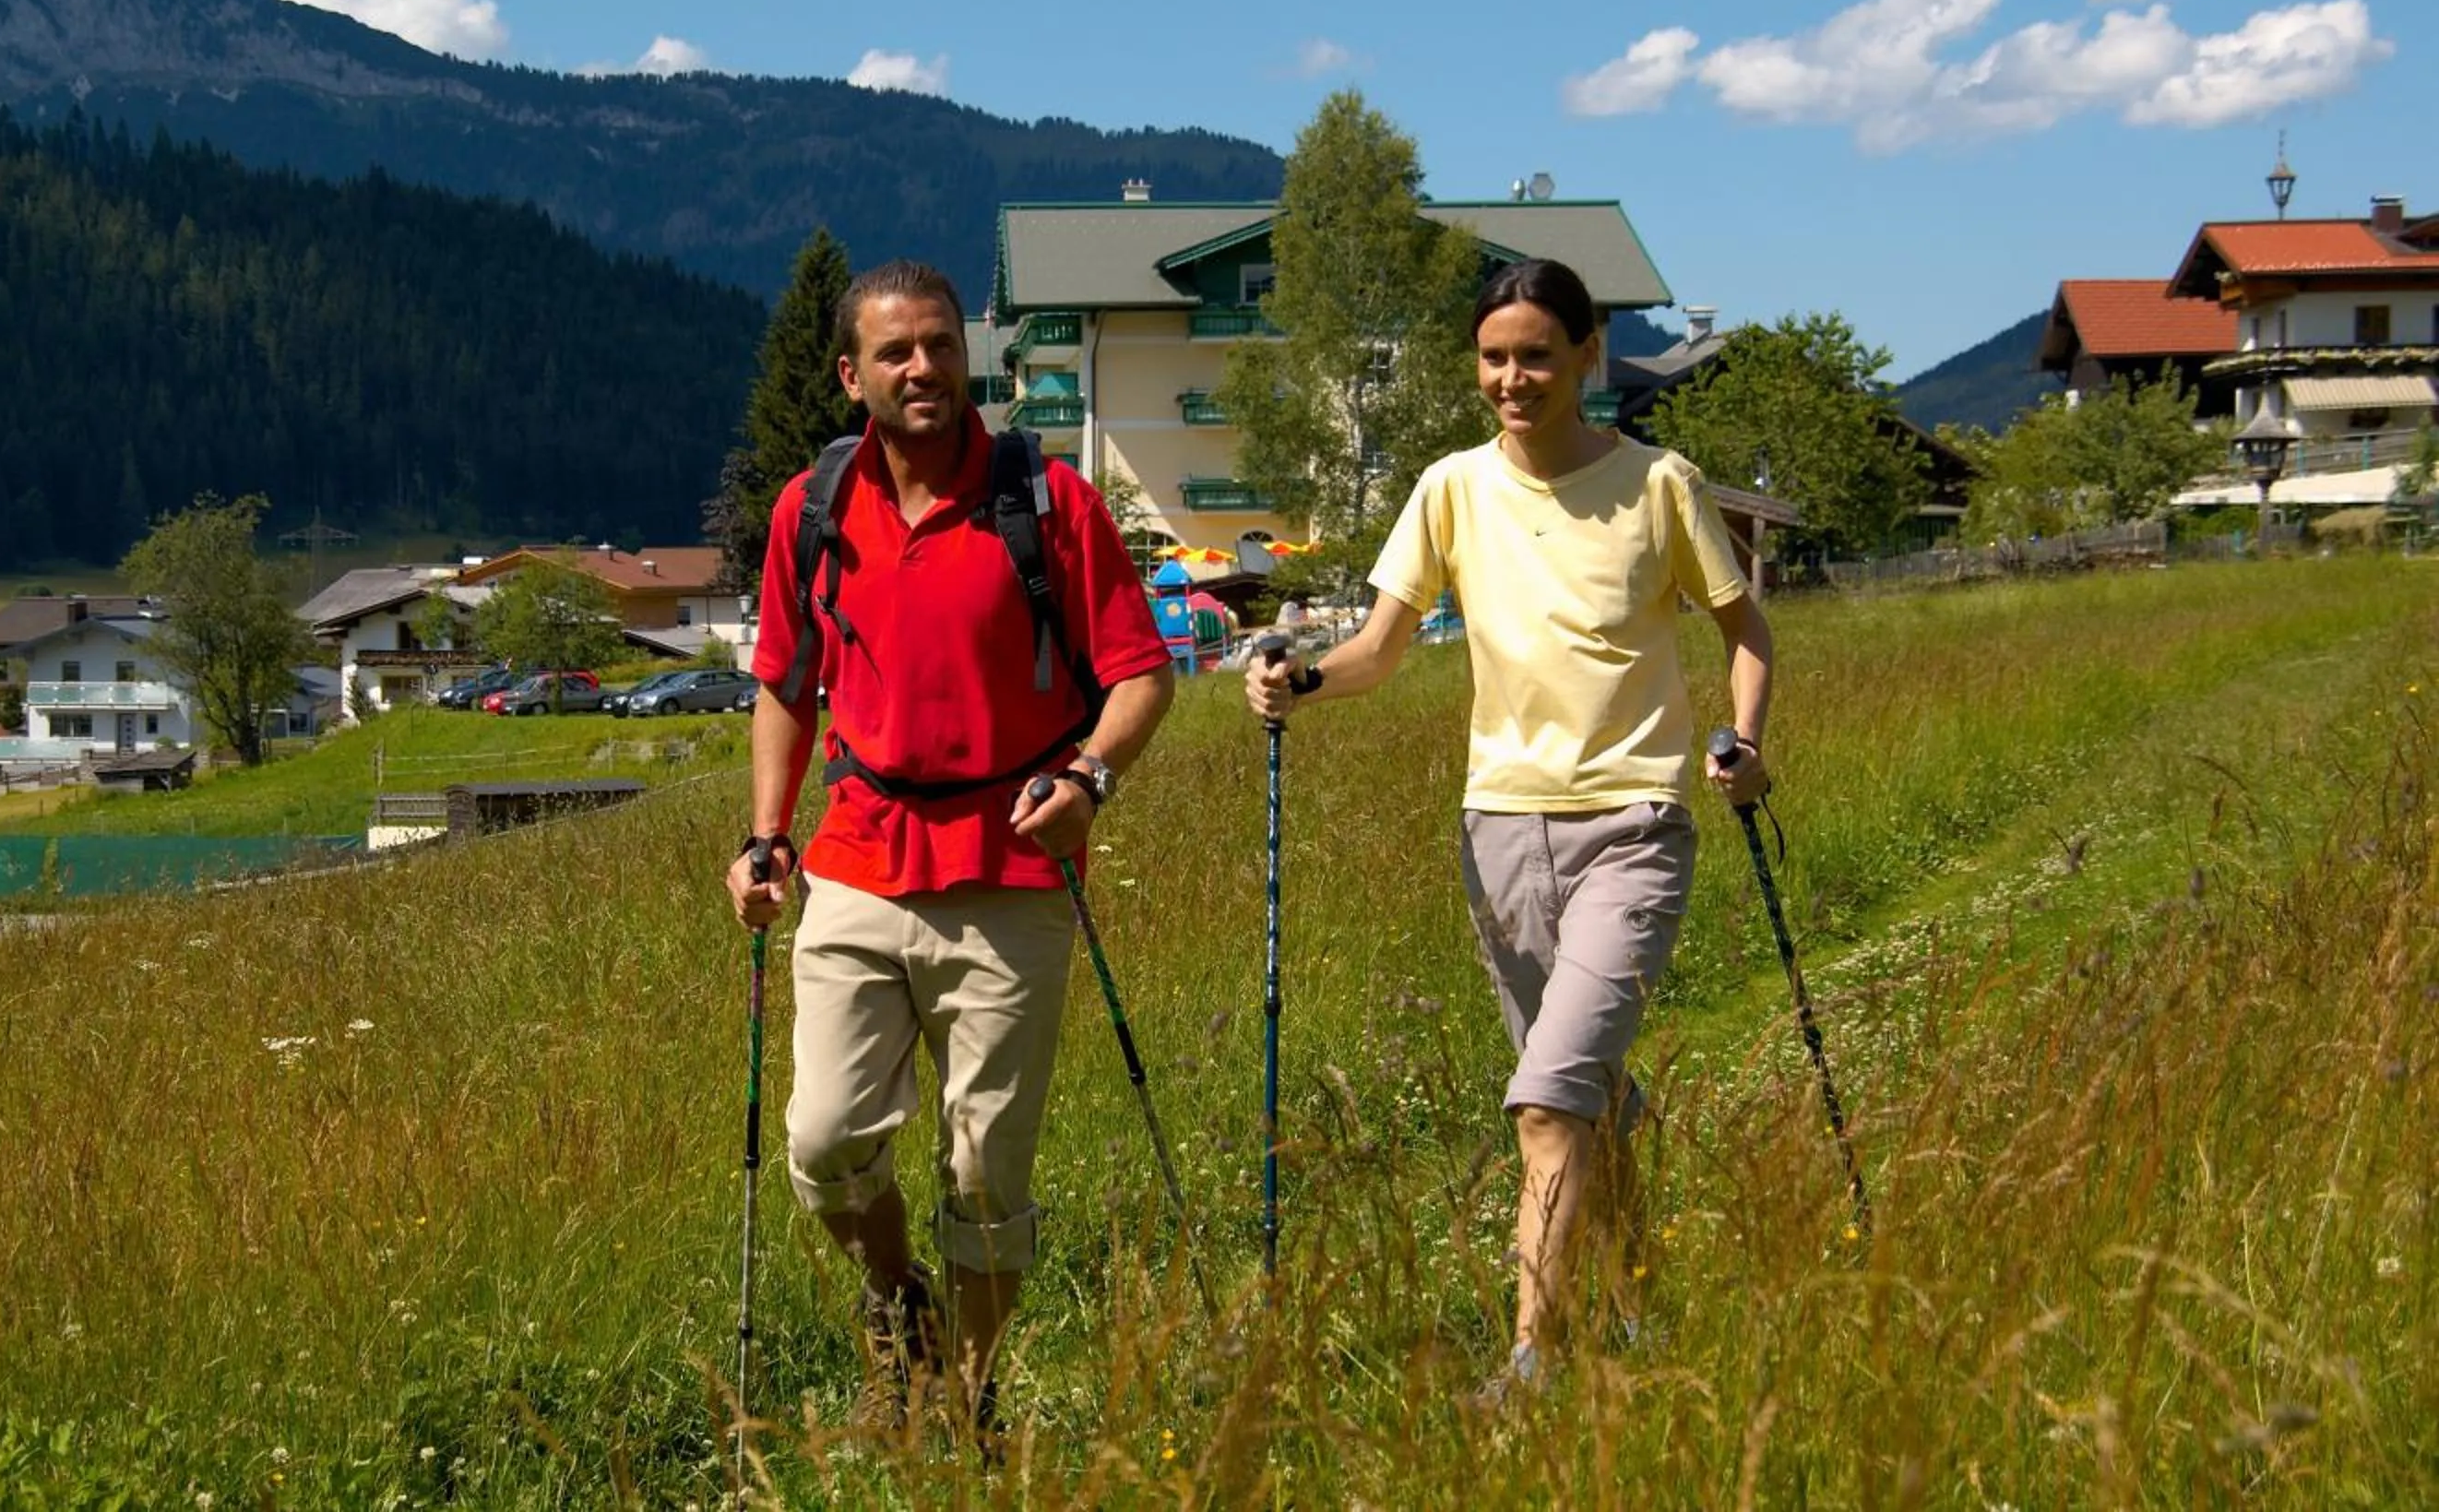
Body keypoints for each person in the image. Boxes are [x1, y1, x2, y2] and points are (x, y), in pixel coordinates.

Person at [1243, 256, 1774, 1395]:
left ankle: (1534, 1357)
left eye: (1537, 354)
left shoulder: (1658, 485)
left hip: (1634, 822)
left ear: (1588, 354)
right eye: (1494, 357)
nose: (1513, 378)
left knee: (1543, 1102)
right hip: (1500, 833)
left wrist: (1743, 741)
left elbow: (1748, 634)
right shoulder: (1450, 489)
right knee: (1583, 1093)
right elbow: (1379, 648)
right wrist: (1306, 684)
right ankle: (1634, 1297)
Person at [728, 260, 1176, 1438]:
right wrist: (764, 839)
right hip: (858, 855)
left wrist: (1091, 778)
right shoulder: (812, 509)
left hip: (1014, 873)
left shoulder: (1047, 498)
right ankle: (897, 1306)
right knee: (824, 1143)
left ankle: (963, 1397)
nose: (921, 368)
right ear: (851, 375)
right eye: (894, 352)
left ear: (964, 354)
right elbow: (784, 686)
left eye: (937, 344)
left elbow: (1140, 671)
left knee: (984, 1176)